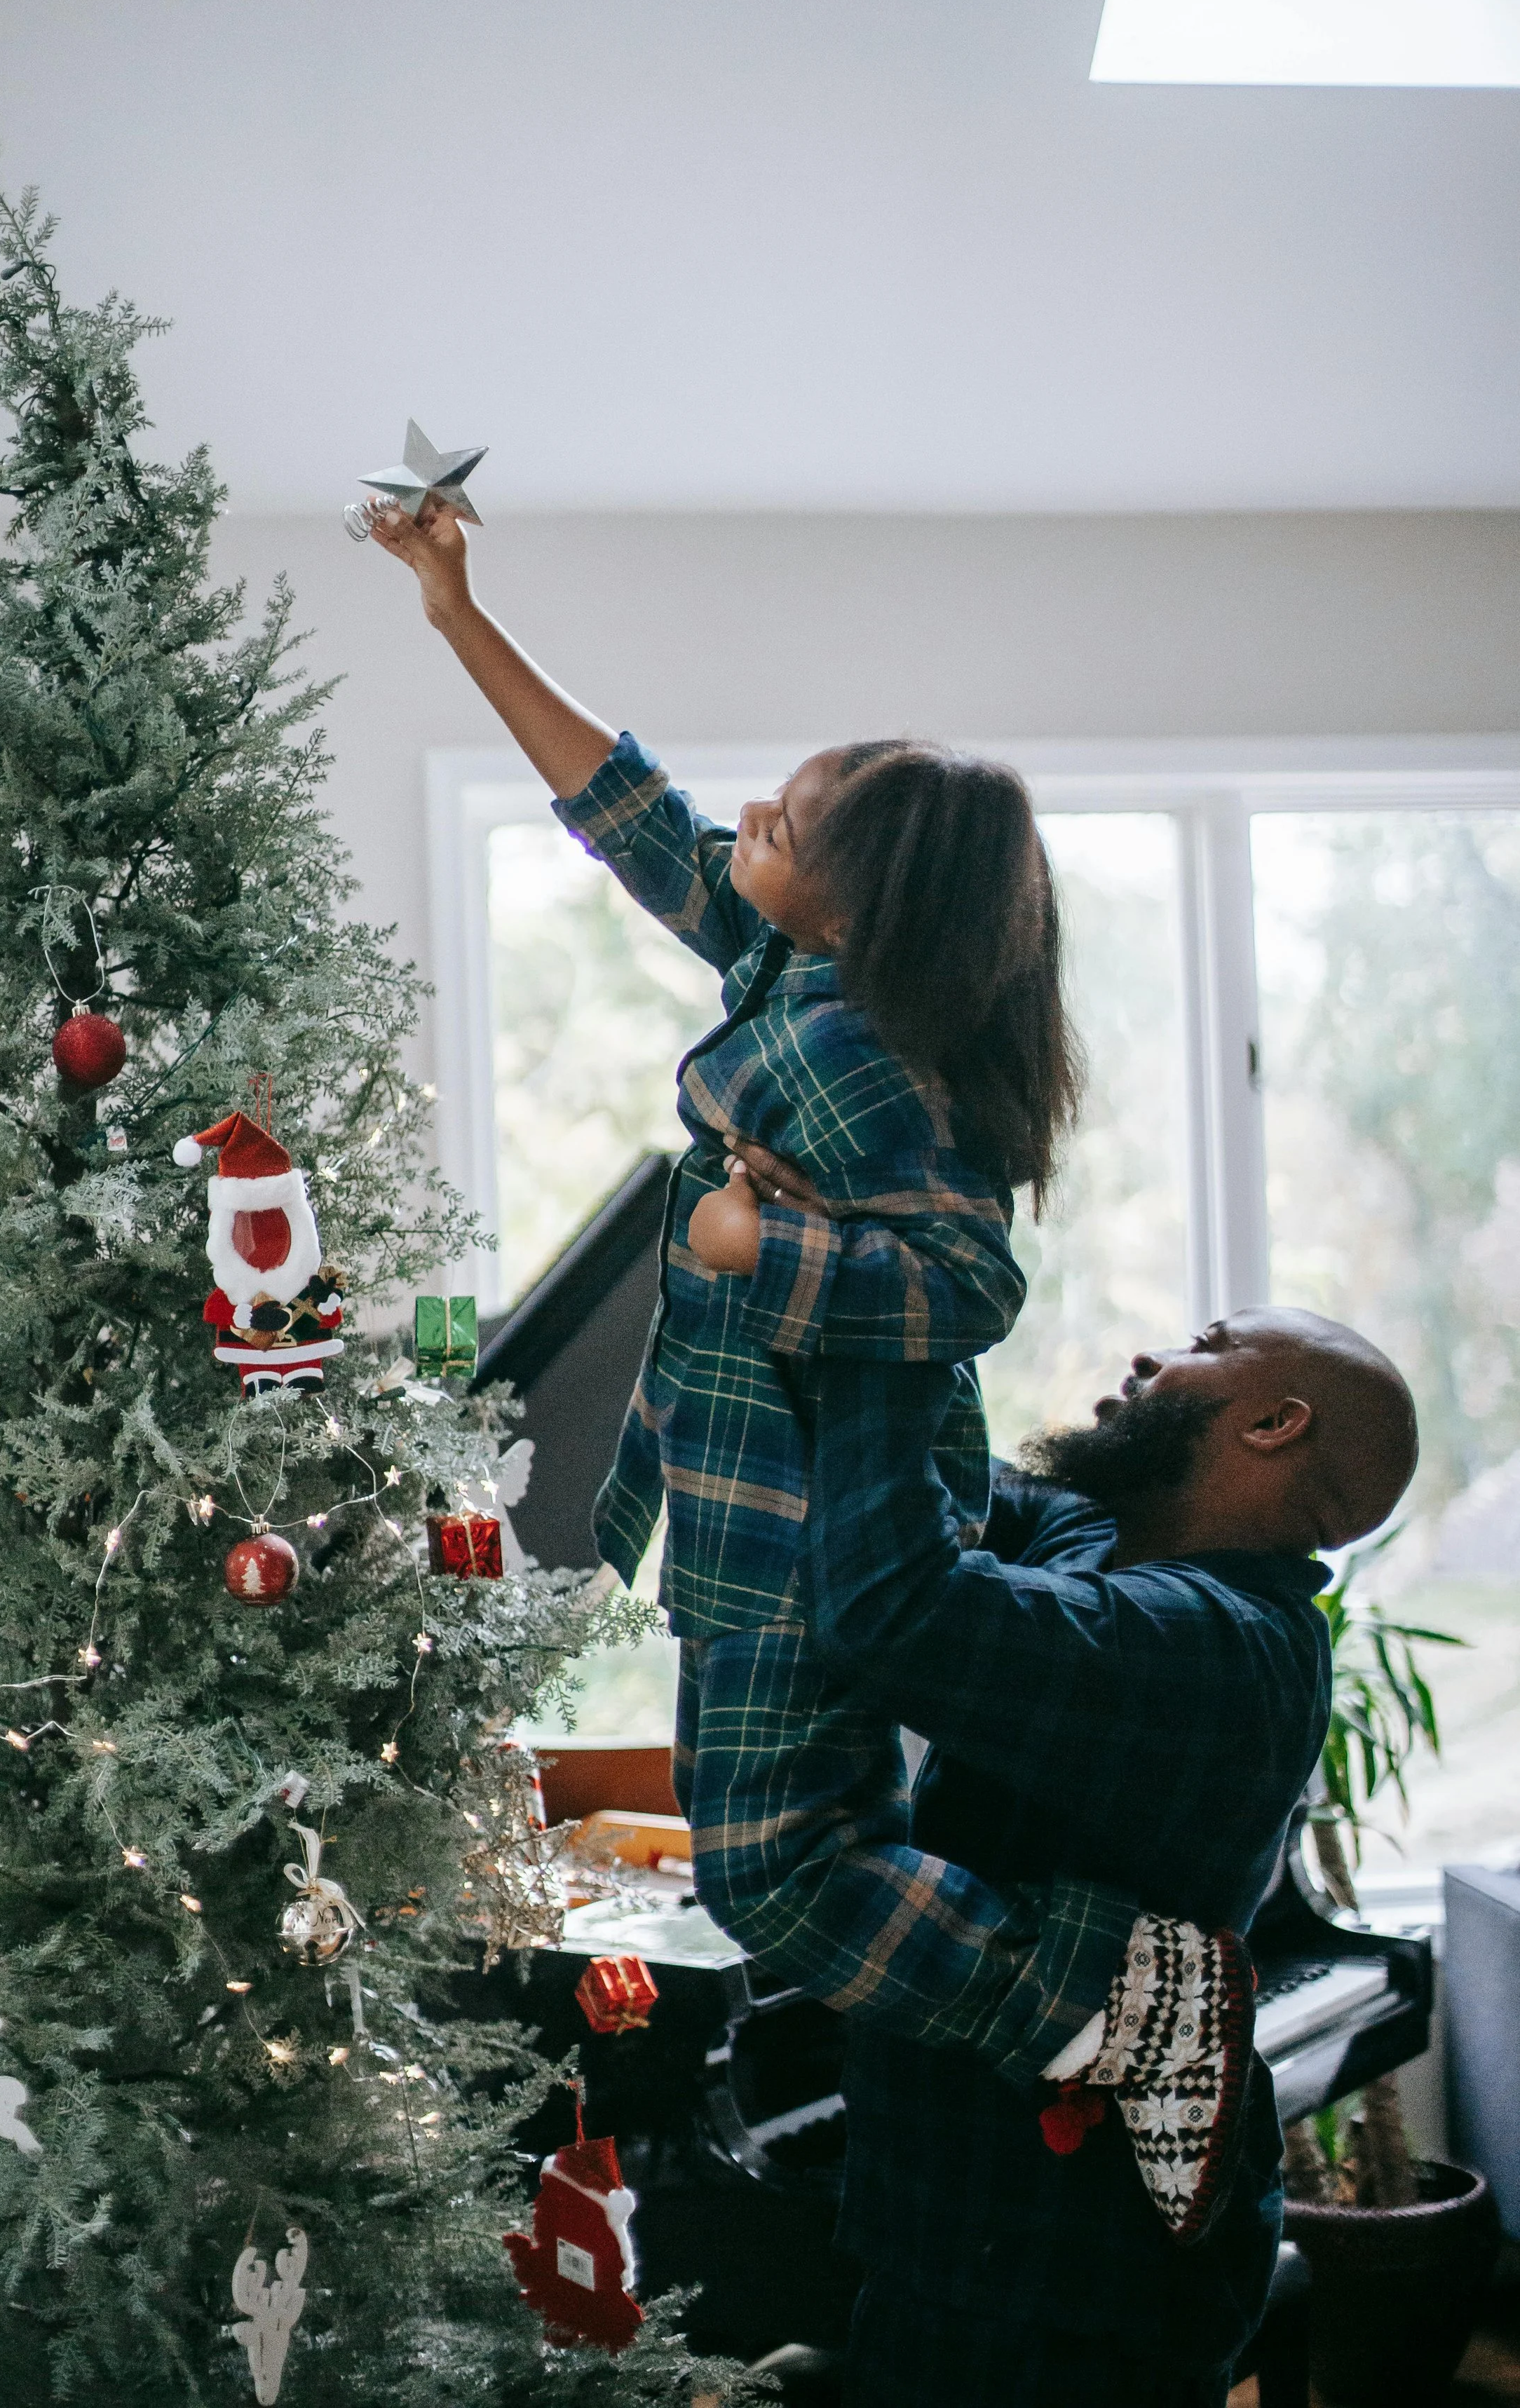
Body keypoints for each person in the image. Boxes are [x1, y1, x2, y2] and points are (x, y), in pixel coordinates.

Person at [375, 498, 1256, 2235]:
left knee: (775, 1880)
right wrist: (453, 610)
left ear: (871, 907)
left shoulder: (860, 1055)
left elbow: (968, 1277)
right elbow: (622, 814)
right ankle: (1077, 2008)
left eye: (792, 816)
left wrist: (742, 1245)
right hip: (743, 1517)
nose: (753, 817)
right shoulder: (792, 969)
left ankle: (1117, 2001)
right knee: (781, 1841)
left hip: (800, 1533)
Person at [727, 1207, 1416, 2407]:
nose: (1151, 1357)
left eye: (1205, 1341)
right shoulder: (1109, 1540)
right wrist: (853, 1258)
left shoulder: (1219, 1647)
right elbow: (934, 1489)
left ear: (1272, 1421)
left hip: (1069, 2287)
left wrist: (881, 1306)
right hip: (965, 2234)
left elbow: (893, 1603)